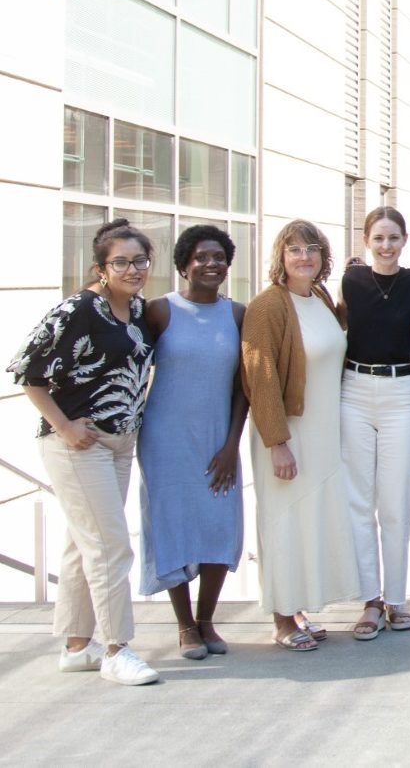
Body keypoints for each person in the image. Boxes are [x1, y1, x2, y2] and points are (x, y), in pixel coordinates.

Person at [9, 219, 159, 685]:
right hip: (78, 444)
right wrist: (65, 426)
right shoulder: (78, 309)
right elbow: (27, 372)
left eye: (139, 260)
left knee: (84, 543)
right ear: (100, 267)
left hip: (119, 442)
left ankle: (77, 646)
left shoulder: (136, 310)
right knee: (111, 546)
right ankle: (117, 649)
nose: (132, 269)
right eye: (121, 262)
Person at [242, 220, 361, 651]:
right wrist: (277, 443)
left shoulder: (320, 299)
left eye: (312, 249)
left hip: (323, 432)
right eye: (294, 250)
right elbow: (261, 377)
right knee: (282, 522)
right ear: (281, 257)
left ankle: (297, 609)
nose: (304, 257)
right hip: (288, 434)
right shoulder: (268, 307)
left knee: (308, 521)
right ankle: (281, 619)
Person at [138, 225, 247, 661]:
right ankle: (185, 625)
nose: (210, 264)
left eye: (219, 257)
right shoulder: (159, 311)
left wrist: (232, 444)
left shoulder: (238, 314)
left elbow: (244, 385)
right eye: (201, 257)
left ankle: (207, 620)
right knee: (173, 525)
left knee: (220, 526)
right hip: (166, 439)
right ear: (184, 264)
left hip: (219, 436)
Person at [338, 206, 410, 640]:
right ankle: (370, 600)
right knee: (359, 502)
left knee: (396, 503)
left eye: (394, 238)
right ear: (366, 240)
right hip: (354, 390)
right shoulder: (350, 281)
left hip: (399, 392)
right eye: (378, 238)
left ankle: (397, 598)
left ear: (405, 241)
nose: (386, 246)